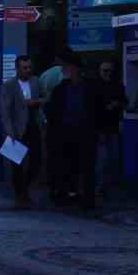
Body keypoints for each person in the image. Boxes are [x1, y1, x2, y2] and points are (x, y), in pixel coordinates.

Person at [44, 50, 100, 210]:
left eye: (65, 67)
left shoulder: (90, 87)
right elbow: (52, 110)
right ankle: (65, 196)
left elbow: (97, 109)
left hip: (85, 132)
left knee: (87, 167)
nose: (62, 70)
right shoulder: (61, 89)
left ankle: (87, 199)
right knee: (66, 166)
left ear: (74, 68)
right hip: (65, 133)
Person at [0, 56, 44, 207]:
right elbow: (5, 110)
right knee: (16, 165)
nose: (28, 70)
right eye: (24, 68)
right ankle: (21, 195)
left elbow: (44, 98)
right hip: (17, 128)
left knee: (37, 161)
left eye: (30, 67)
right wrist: (10, 131)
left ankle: (25, 188)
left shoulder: (35, 81)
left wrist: (37, 102)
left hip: (33, 125)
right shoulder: (9, 85)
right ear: (17, 69)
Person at [94, 59, 127, 198]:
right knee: (102, 159)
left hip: (112, 126)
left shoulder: (117, 85)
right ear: (100, 71)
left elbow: (125, 101)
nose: (108, 73)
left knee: (112, 158)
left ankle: (107, 186)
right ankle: (100, 186)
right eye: (105, 71)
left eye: (110, 71)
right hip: (101, 127)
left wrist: (117, 104)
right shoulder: (95, 86)